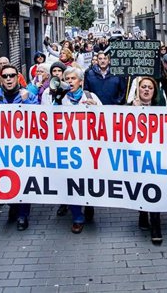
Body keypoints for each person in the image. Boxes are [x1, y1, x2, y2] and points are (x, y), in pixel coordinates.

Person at [0, 65, 38, 230]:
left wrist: (27, 100)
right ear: (1, 78)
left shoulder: (28, 95)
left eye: (12, 75)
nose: (8, 79)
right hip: (2, 149)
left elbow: (39, 119)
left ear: (17, 77)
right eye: (5, 76)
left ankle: (23, 215)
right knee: (6, 179)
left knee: (23, 180)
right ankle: (13, 205)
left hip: (23, 148)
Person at [52, 67, 101, 234]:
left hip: (88, 149)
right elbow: (47, 120)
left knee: (87, 181)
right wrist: (56, 102)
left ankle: (89, 203)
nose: (70, 81)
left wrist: (96, 108)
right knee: (72, 182)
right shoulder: (60, 98)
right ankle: (77, 217)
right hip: (68, 149)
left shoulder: (90, 97)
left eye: (74, 78)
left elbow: (104, 121)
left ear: (81, 81)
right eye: (68, 79)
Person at [130, 76, 165, 245]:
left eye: (150, 88)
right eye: (143, 86)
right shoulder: (129, 108)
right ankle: (142, 214)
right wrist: (133, 111)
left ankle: (156, 226)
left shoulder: (162, 110)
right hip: (136, 157)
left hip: (155, 157)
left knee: (154, 188)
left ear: (154, 91)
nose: (146, 90)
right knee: (140, 187)